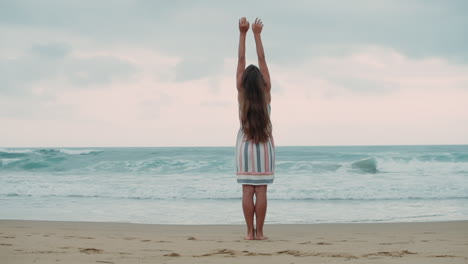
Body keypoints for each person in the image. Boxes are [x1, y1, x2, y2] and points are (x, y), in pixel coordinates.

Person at [235, 17, 275, 240]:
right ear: (262, 83)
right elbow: (262, 58)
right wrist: (257, 35)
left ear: (243, 83)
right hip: (264, 145)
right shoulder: (266, 93)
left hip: (245, 146)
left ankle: (249, 233)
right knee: (261, 191)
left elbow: (241, 59)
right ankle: (260, 233)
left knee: (246, 191)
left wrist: (242, 34)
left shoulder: (241, 94)